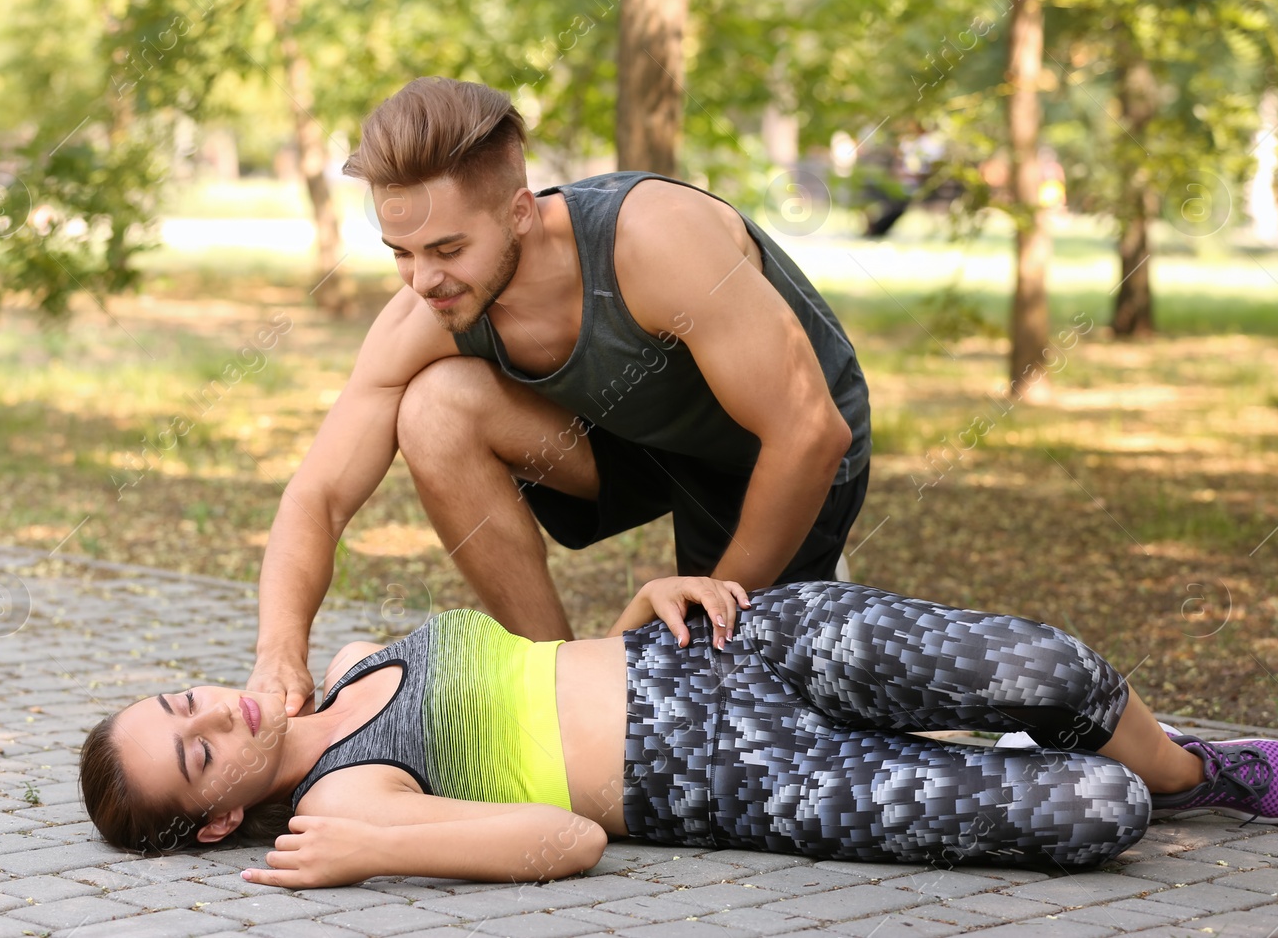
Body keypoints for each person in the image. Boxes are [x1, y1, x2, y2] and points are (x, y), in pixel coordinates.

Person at [247, 77, 872, 718]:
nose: (423, 279)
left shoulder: (656, 239)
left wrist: (714, 602)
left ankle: (808, 607)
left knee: (727, 713)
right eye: (400, 252)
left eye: (448, 249)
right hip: (635, 438)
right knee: (434, 408)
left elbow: (810, 432)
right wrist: (279, 650)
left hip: (785, 449)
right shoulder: (423, 312)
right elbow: (318, 497)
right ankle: (555, 691)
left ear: (520, 210)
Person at [80, 578, 1278, 888]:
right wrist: (367, 855)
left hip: (720, 646)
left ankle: (1185, 770)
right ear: (221, 815)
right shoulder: (345, 806)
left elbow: (545, 658)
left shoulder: (363, 654)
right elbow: (566, 836)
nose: (212, 712)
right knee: (1084, 817)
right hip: (746, 774)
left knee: (1037, 662)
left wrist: (646, 594)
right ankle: (1108, 779)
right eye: (193, 751)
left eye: (180, 701)